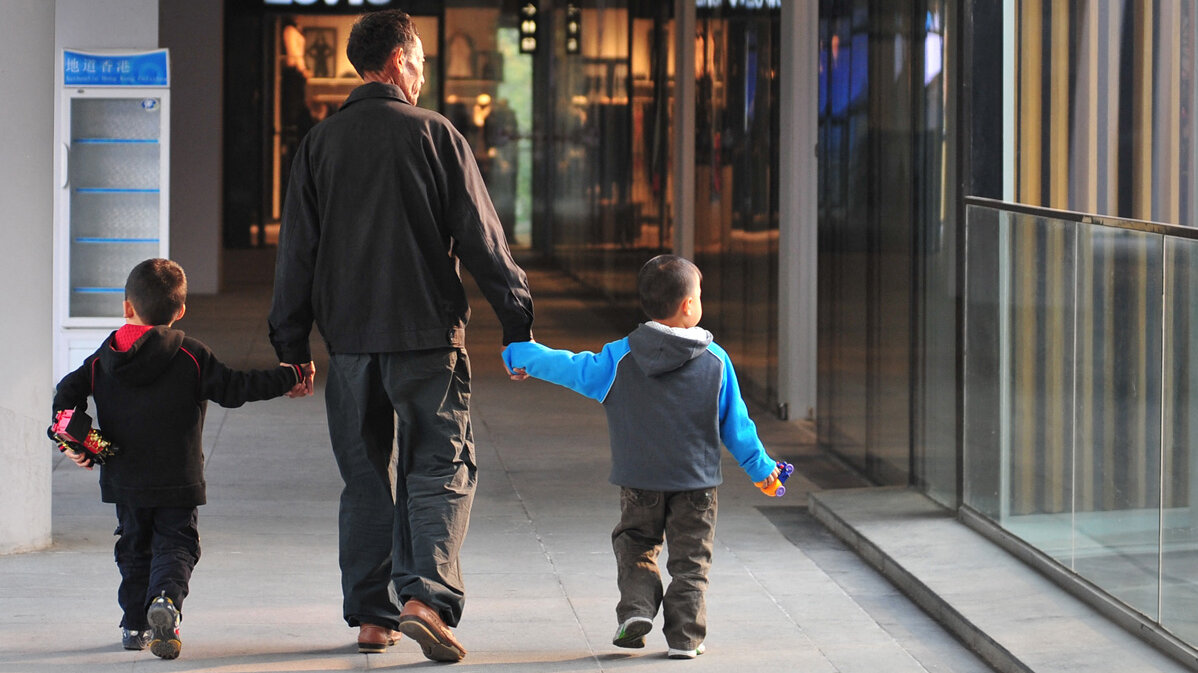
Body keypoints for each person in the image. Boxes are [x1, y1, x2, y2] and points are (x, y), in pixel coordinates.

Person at [268, 8, 534, 663]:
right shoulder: (437, 135)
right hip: (426, 339)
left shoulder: (319, 145)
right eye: (418, 61)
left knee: (365, 478)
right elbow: (483, 240)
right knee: (441, 466)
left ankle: (372, 617)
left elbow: (296, 253)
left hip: (352, 345)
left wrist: (291, 346)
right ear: (395, 62)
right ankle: (425, 599)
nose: (422, 73)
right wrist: (517, 321)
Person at [502, 254, 782, 660]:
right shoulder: (717, 362)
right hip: (697, 484)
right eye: (699, 295)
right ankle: (685, 639)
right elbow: (737, 428)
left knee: (635, 544)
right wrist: (764, 472)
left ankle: (636, 611)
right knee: (691, 562)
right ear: (688, 305)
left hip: (639, 482)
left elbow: (568, 366)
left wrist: (521, 355)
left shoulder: (619, 357)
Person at [51, 258, 305, 660]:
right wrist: (290, 376)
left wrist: (84, 444)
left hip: (124, 479)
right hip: (177, 478)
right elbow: (237, 388)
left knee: (134, 548)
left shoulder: (102, 359)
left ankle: (135, 625)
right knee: (177, 543)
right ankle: (166, 600)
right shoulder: (191, 355)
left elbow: (64, 401)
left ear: (126, 307)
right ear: (180, 310)